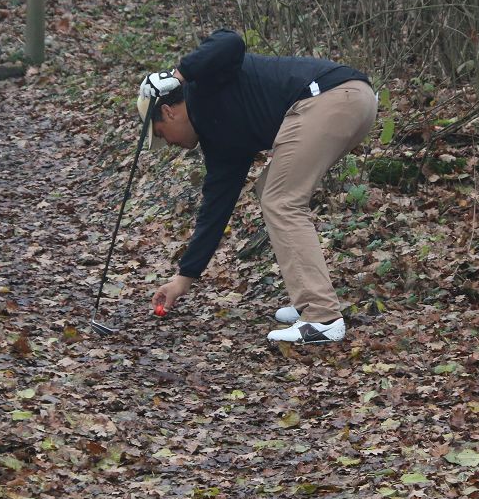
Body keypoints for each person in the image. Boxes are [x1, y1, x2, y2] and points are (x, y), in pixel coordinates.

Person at [139, 29, 377, 344]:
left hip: (332, 96)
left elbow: (230, 42)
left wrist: (177, 76)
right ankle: (309, 300)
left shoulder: (204, 83)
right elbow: (216, 209)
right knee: (271, 192)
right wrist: (183, 280)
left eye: (160, 134)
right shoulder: (220, 140)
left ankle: (321, 317)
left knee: (282, 200)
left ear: (169, 112)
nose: (168, 144)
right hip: (349, 100)